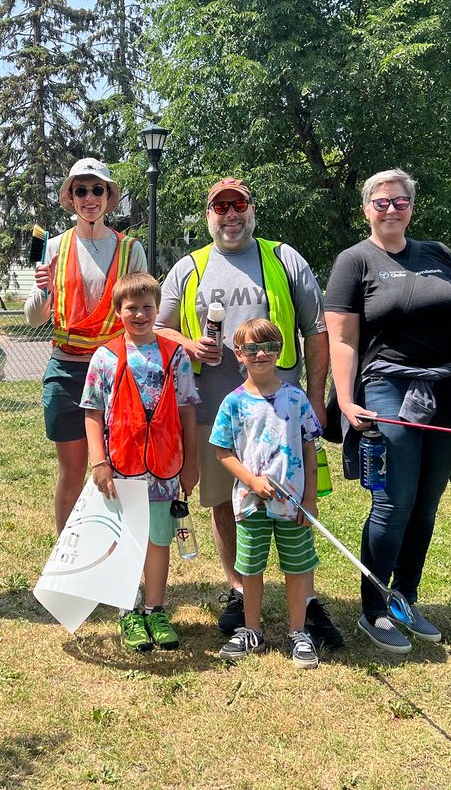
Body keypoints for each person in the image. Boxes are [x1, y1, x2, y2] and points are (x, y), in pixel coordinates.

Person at [155, 177, 341, 648]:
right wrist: (188, 342)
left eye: (239, 205)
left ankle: (306, 599)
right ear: (208, 216)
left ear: (252, 209)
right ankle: (239, 590)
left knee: (296, 504)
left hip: (282, 414)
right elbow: (158, 329)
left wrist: (316, 398)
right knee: (225, 505)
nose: (230, 214)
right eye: (221, 207)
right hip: (215, 411)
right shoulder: (189, 267)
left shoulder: (283, 258)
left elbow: (315, 332)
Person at [325, 169, 451, 654]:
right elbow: (343, 339)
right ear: (365, 208)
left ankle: (405, 597)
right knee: (394, 500)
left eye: (399, 201)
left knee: (426, 501)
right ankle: (373, 608)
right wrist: (347, 399)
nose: (390, 209)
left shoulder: (439, 255)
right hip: (387, 384)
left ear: (412, 206)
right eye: (380, 202)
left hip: (444, 388)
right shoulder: (355, 261)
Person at [25, 158, 148, 532]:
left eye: (97, 190)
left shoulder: (131, 251)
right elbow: (34, 318)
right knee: (74, 469)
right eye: (81, 190)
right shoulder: (53, 246)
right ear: (71, 197)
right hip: (67, 370)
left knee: (119, 468)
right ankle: (68, 563)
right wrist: (42, 288)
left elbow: (142, 314)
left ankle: (114, 561)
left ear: (109, 196)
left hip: (115, 371)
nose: (89, 198)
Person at [81, 272, 199, 651]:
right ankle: (127, 611)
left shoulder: (174, 355)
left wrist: (190, 464)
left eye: (148, 307)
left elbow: (187, 413)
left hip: (164, 468)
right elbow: (93, 412)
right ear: (118, 312)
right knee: (127, 541)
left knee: (158, 540)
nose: (140, 314)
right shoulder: (105, 357)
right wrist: (98, 462)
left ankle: (155, 609)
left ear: (157, 309)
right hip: (121, 469)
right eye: (131, 308)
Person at [210, 318, 325, 667]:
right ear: (239, 354)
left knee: (297, 567)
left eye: (269, 347)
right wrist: (251, 481)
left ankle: (298, 632)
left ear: (281, 352)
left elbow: (309, 448)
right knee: (250, 568)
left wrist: (309, 499)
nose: (260, 354)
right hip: (250, 504)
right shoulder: (233, 403)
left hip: (293, 505)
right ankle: (251, 630)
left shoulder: (296, 398)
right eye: (251, 348)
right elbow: (222, 451)